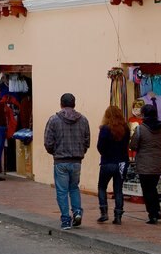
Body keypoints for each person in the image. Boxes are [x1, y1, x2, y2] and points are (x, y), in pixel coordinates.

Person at [44, 93, 90, 230]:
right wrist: (81, 152)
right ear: (74, 104)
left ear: (61, 104)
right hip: (76, 160)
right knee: (74, 187)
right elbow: (87, 141)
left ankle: (65, 219)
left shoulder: (53, 120)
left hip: (60, 160)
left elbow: (48, 142)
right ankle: (77, 212)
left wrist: (55, 152)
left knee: (62, 191)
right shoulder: (83, 120)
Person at [130, 103, 161, 224]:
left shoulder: (141, 129)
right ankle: (157, 210)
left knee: (147, 190)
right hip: (158, 163)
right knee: (153, 188)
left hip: (144, 164)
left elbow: (133, 145)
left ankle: (153, 214)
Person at [97, 105, 130, 225]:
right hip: (122, 162)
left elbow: (100, 146)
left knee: (102, 187)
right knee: (118, 189)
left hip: (107, 162)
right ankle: (118, 215)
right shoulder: (125, 128)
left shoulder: (105, 129)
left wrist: (105, 154)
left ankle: (104, 212)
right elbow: (127, 144)